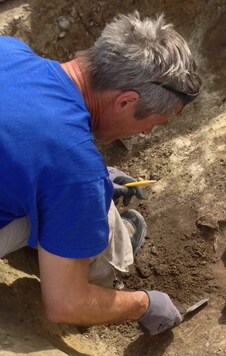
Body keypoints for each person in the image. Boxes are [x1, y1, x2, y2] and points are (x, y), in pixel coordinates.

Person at [0, 12, 201, 335]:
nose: (147, 132)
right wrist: (145, 303)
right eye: (155, 122)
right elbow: (65, 304)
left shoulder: (8, 49)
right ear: (126, 101)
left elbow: (23, 134)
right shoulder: (76, 170)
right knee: (92, 212)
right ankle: (99, 270)